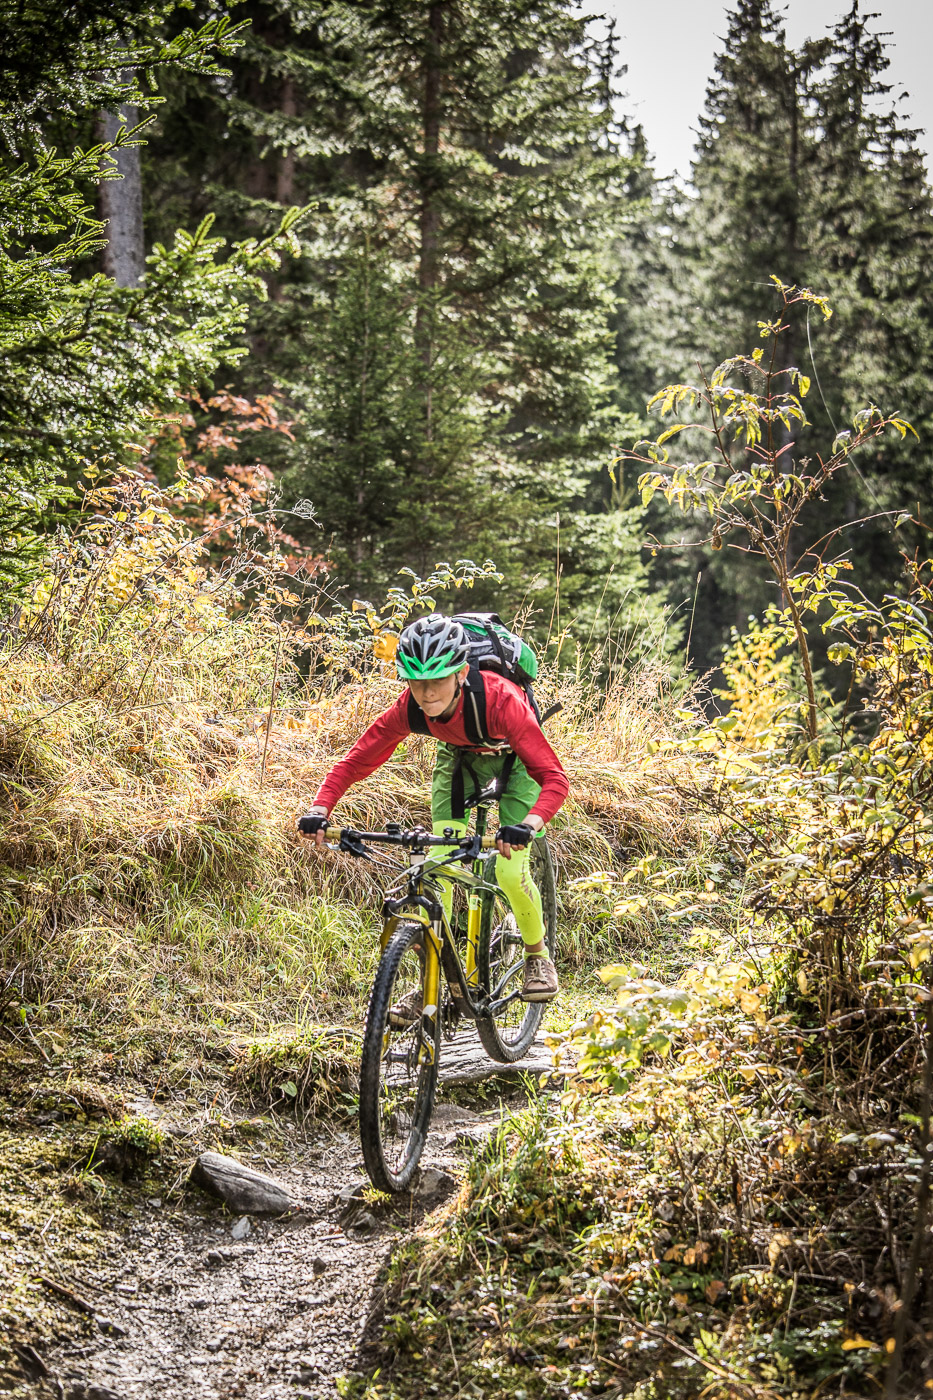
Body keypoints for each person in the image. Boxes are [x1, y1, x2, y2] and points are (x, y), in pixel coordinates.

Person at [298, 613, 568, 1005]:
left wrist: (528, 824)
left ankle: (537, 956)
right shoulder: (408, 707)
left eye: (438, 679)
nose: (426, 693)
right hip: (459, 760)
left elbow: (554, 778)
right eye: (416, 681)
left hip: (517, 761)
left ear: (461, 673)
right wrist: (320, 808)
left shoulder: (501, 699)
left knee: (510, 871)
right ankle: (431, 986)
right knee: (438, 866)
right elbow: (356, 762)